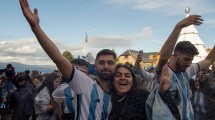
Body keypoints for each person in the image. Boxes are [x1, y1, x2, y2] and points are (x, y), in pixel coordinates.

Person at [20, 0, 116, 119]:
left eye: (110, 63)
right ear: (95, 65)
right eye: (101, 62)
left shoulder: (116, 92)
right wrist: (36, 28)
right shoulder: (85, 84)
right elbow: (59, 59)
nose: (106, 66)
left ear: (115, 66)